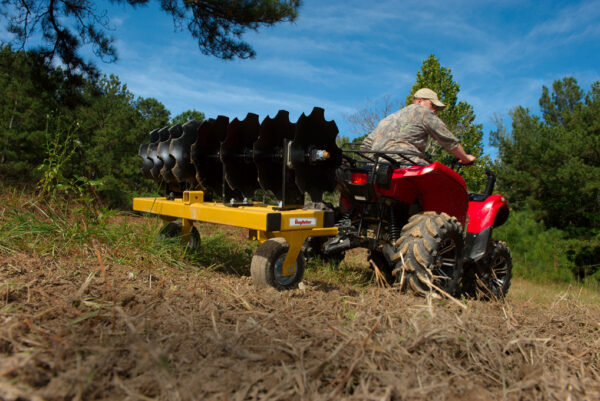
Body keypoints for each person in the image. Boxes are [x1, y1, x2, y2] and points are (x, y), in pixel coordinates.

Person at [361, 88, 476, 165]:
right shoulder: (422, 111)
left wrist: (375, 162)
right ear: (420, 101)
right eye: (433, 105)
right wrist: (466, 158)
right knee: (443, 182)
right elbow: (449, 141)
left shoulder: (387, 119)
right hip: (403, 166)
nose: (434, 110)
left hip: (375, 168)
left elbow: (364, 147)